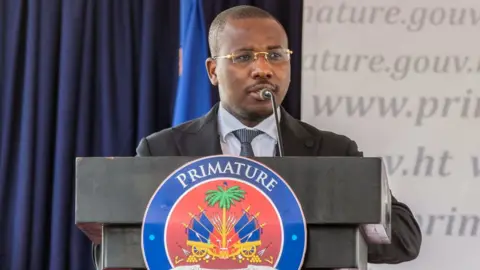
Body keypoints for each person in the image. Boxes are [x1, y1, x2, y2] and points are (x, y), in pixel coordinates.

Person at [135, 4, 422, 268]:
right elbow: (125, 243)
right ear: (213, 71)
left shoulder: (332, 151)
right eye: (243, 57)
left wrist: (320, 206)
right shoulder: (162, 149)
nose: (262, 70)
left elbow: (405, 240)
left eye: (275, 56)